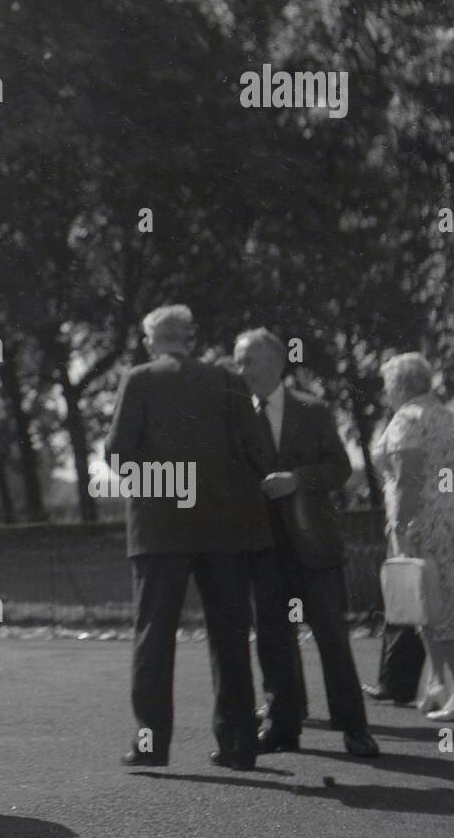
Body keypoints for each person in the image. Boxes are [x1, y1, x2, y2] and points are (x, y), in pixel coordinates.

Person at [107, 305, 271, 770]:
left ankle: (151, 744)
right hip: (224, 528)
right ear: (191, 338)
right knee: (230, 636)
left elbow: (119, 454)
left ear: (152, 340)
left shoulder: (138, 379)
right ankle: (239, 743)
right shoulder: (228, 381)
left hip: (159, 529)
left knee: (154, 637)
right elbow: (258, 452)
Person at [234, 329, 379, 757]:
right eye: (238, 362)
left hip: (314, 547)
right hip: (261, 548)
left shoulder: (312, 410)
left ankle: (355, 729)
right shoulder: (236, 415)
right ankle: (282, 728)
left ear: (278, 363)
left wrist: (297, 480)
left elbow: (339, 467)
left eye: (249, 361)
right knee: (273, 640)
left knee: (333, 638)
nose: (242, 371)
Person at [374, 353, 454, 721]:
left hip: (427, 519)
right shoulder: (448, 416)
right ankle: (437, 683)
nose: (386, 392)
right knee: (432, 598)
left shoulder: (408, 417)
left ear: (401, 385)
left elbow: (408, 476)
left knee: (441, 603)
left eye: (388, 384)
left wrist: (400, 525)